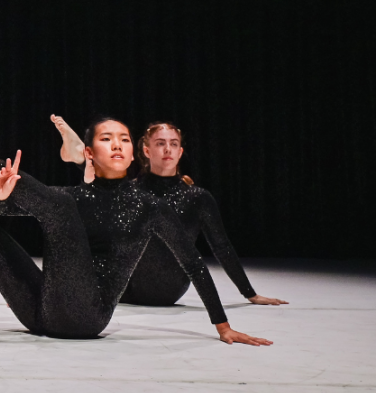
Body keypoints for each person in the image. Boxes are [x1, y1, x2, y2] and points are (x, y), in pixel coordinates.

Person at [0, 113, 272, 346]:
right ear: (90, 154)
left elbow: (193, 264)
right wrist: (0, 198)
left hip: (86, 318)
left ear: (134, 154)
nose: (117, 144)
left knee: (58, 208)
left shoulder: (150, 206)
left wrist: (223, 327)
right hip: (41, 312)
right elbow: (5, 209)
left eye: (125, 139)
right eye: (106, 138)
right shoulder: (71, 196)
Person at [49, 117, 286, 306]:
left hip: (169, 290)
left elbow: (221, 246)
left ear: (181, 152)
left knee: (104, 192)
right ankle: (82, 156)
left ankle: (81, 156)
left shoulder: (197, 197)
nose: (168, 150)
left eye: (173, 144)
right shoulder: (131, 191)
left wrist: (250, 294)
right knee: (95, 201)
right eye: (160, 143)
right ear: (146, 150)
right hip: (125, 288)